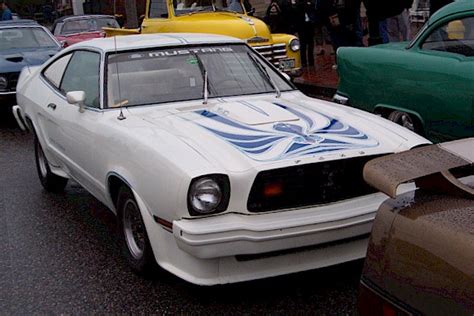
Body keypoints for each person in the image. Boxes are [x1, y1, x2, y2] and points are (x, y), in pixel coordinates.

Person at [296, 0, 316, 67]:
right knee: (303, 44)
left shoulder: (310, 4)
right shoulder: (298, 4)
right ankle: (303, 62)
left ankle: (311, 61)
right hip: (302, 26)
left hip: (310, 25)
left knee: (310, 44)